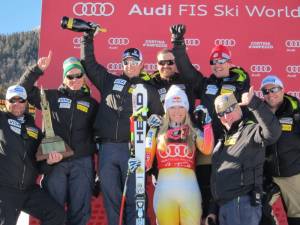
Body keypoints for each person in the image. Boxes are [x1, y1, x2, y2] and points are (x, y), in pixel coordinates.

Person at [81, 31, 164, 225]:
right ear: (122, 65)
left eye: (134, 61)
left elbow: (159, 118)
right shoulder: (109, 81)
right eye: (126, 62)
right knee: (112, 199)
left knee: (136, 198)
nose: (129, 65)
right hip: (108, 149)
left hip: (134, 149)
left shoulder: (148, 89)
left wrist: (153, 126)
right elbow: (89, 65)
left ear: (142, 64)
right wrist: (87, 38)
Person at [170, 24, 251, 219]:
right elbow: (187, 70)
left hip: (230, 148)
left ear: (230, 62)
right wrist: (178, 43)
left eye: (222, 60)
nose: (217, 64)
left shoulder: (240, 84)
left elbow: (244, 99)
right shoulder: (205, 84)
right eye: (213, 61)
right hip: (206, 146)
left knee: (226, 193)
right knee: (205, 189)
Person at [18, 53, 98, 225]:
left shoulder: (92, 104)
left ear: (84, 77)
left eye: (79, 75)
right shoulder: (51, 97)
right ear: (64, 78)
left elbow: (97, 135)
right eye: (70, 76)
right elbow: (21, 91)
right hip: (55, 162)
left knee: (80, 211)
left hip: (81, 163)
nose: (75, 79)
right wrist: (37, 69)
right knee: (54, 211)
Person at [209, 88, 281, 225]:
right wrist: (213, 209)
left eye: (229, 110)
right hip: (224, 206)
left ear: (238, 108)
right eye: (221, 113)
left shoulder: (250, 130)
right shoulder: (222, 140)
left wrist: (254, 103)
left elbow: (273, 133)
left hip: (242, 203)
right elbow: (216, 176)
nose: (226, 117)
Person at [147, 85, 214, 225]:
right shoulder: (158, 128)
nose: (177, 111)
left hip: (189, 191)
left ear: (187, 108)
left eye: (181, 106)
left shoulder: (193, 130)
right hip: (165, 191)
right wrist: (150, 131)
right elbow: (146, 162)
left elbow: (207, 149)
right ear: (166, 109)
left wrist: (207, 125)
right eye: (172, 107)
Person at [0, 85, 65, 225]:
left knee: (57, 215)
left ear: (26, 102)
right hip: (6, 190)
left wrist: (50, 163)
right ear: (5, 102)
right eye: (12, 100)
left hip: (29, 190)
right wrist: (36, 69)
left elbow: (40, 165)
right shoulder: (2, 121)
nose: (17, 104)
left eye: (21, 100)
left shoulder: (34, 129)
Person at [260, 75, 300, 225]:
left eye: (274, 89)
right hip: (268, 176)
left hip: (293, 175)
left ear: (283, 90)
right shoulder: (258, 112)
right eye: (266, 91)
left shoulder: (296, 111)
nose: (271, 94)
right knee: (266, 216)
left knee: (296, 217)